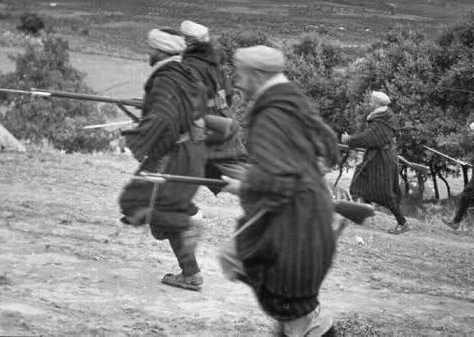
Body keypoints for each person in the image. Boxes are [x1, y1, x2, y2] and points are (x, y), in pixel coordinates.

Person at [219, 45, 339, 337]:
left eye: (241, 74)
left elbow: (276, 179)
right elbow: (329, 144)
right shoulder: (291, 99)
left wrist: (241, 186)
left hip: (295, 218)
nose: (236, 81)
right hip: (305, 210)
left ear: (258, 75)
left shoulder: (273, 112)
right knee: (242, 263)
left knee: (290, 298)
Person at [118, 28, 207, 291]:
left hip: (175, 154)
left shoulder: (166, 79)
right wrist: (146, 107)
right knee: (163, 206)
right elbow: (181, 110)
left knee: (134, 202)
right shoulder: (188, 74)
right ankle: (190, 274)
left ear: (161, 51)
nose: (149, 53)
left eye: (151, 49)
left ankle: (189, 221)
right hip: (193, 150)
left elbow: (164, 118)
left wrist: (133, 135)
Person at [179, 20, 246, 191]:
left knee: (189, 160)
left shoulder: (188, 65)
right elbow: (228, 94)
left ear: (187, 42)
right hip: (225, 117)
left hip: (209, 125)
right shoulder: (216, 63)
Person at [342, 91, 409, 234]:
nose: (370, 103)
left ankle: (402, 223)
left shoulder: (381, 119)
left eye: (371, 101)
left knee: (385, 192)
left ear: (377, 103)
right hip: (376, 156)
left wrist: (349, 140)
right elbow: (371, 137)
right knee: (361, 182)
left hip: (382, 158)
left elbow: (370, 138)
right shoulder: (384, 115)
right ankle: (364, 214)